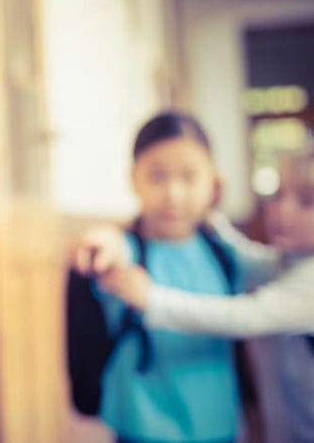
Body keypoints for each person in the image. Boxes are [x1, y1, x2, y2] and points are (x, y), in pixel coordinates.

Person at [85, 146, 314, 443]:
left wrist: (152, 300)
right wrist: (208, 210)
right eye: (277, 196)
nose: (281, 211)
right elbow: (248, 258)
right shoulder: (292, 261)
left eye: (307, 201)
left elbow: (244, 316)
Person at [69, 111, 252, 443]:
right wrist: (103, 241)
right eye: (157, 177)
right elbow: (109, 247)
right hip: (142, 425)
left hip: (218, 423)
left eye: (189, 176)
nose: (173, 193)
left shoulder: (226, 252)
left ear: (213, 181)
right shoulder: (125, 251)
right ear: (133, 179)